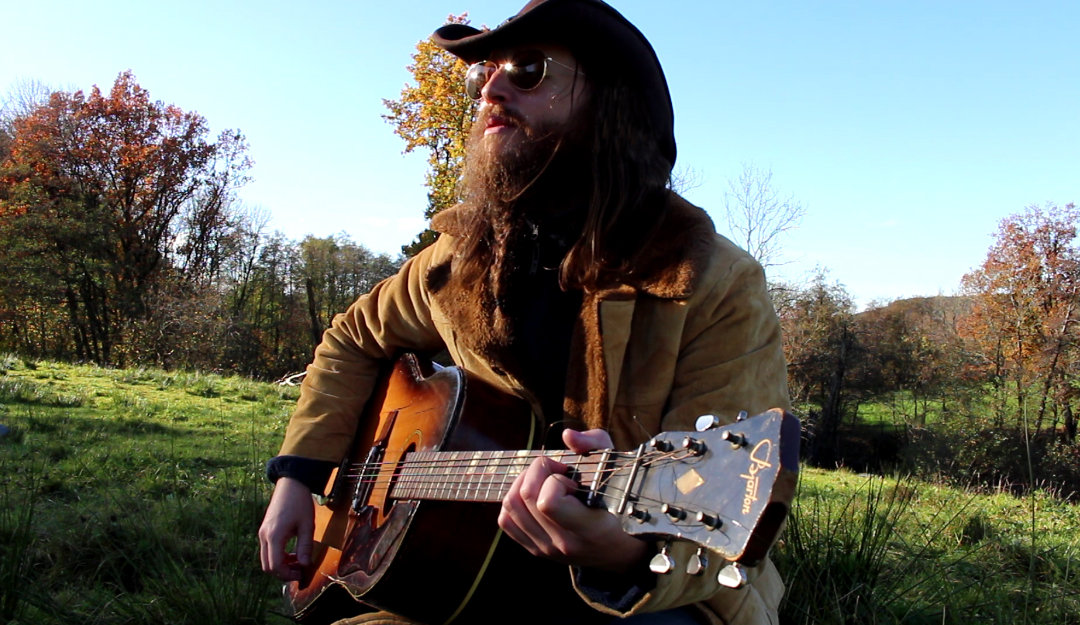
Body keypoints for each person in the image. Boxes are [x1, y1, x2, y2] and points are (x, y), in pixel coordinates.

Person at [258, 1, 791, 623]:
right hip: (456, 569)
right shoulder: (461, 255)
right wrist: (300, 474)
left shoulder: (711, 280)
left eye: (529, 69)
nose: (490, 89)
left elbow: (718, 519)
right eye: (481, 74)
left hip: (652, 599)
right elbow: (352, 338)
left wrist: (620, 554)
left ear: (610, 106)